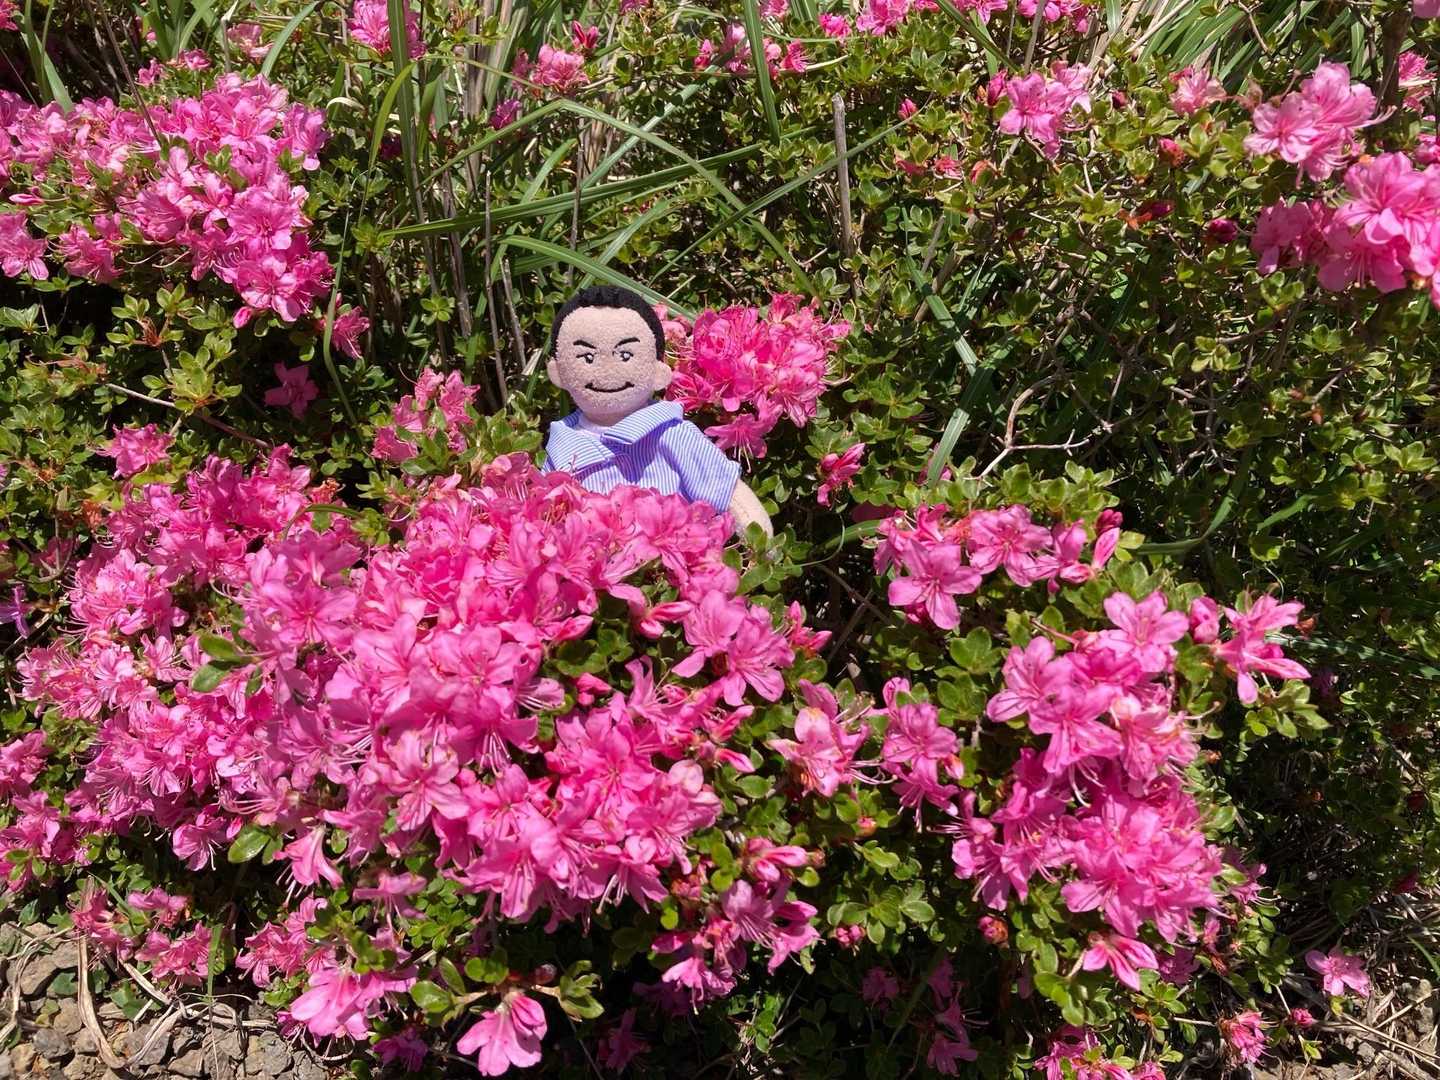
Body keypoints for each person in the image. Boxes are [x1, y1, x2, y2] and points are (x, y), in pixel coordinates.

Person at [541, 285, 773, 536]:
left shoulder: (672, 434)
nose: (606, 368)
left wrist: (759, 541)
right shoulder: (563, 443)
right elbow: (545, 512)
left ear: (659, 373)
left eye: (626, 355)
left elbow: (725, 490)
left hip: (675, 551)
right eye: (587, 357)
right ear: (558, 373)